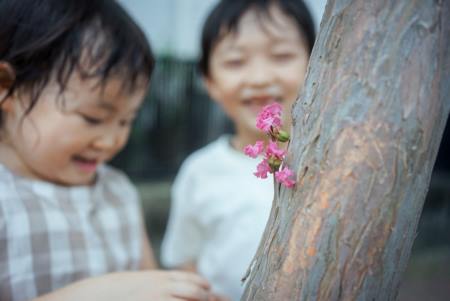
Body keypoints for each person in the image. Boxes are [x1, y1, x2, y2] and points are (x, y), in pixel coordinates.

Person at [0, 1, 220, 300]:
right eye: (93, 118)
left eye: (126, 121)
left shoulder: (118, 192)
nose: (110, 140)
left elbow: (150, 282)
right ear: (6, 87)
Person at [161, 0, 316, 300]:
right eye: (235, 61)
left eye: (281, 56)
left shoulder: (331, 160)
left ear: (315, 63)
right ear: (210, 82)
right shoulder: (200, 172)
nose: (259, 78)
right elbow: (183, 259)